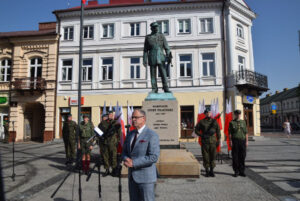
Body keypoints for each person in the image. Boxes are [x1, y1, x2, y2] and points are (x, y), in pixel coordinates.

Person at [122, 109, 160, 201]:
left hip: (146, 178)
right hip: (132, 178)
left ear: (143, 118)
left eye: (136, 117)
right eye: (132, 117)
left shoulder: (152, 135)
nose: (133, 119)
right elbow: (124, 151)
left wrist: (134, 163)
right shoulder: (130, 134)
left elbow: (153, 157)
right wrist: (125, 158)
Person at [143, 22, 172, 93]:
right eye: (155, 27)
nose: (156, 28)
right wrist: (144, 59)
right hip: (152, 56)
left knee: (163, 73)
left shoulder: (162, 36)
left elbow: (166, 47)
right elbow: (145, 50)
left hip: (161, 56)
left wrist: (168, 54)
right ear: (151, 28)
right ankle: (154, 88)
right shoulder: (148, 37)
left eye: (157, 27)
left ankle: (165, 87)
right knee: (153, 74)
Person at [194, 108, 221, 177]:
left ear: (211, 113)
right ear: (205, 114)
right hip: (205, 142)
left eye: (209, 112)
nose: (208, 113)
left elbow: (218, 131)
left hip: (213, 142)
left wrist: (219, 140)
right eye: (207, 112)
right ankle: (207, 171)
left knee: (213, 156)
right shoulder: (201, 122)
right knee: (205, 157)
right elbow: (196, 130)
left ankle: (212, 170)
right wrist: (201, 135)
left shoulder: (214, 121)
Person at [229, 109, 248, 177]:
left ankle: (242, 171)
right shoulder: (232, 122)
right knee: (235, 157)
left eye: (239, 114)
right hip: (235, 141)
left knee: (242, 156)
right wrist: (230, 141)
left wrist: (246, 141)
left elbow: (246, 132)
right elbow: (230, 133)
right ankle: (236, 171)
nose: (238, 115)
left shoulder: (243, 122)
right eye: (237, 114)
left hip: (242, 141)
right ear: (235, 114)